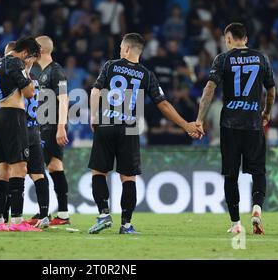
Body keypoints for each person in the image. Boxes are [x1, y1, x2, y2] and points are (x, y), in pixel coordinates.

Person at [87, 33, 202, 235]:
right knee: (128, 178)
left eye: (122, 47)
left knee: (99, 172)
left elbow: (95, 91)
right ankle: (126, 224)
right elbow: (163, 104)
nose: (120, 49)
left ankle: (104, 214)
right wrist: (186, 125)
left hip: (106, 122)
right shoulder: (146, 74)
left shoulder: (110, 66)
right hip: (129, 126)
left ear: (129, 49)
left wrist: (94, 115)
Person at [195, 23, 276, 235]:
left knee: (231, 175)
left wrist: (199, 119)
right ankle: (257, 209)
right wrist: (266, 112)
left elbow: (209, 89)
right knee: (258, 171)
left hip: (230, 126)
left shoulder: (223, 59)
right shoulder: (261, 58)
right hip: (253, 124)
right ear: (246, 39)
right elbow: (271, 90)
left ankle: (236, 224)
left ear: (228, 39)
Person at [0, 37, 41, 232]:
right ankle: (17, 222)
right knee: (20, 168)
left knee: (2, 170)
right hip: (14, 117)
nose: (31, 61)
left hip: (0, 116)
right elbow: (28, 93)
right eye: (32, 57)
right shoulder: (15, 62)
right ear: (26, 52)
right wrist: (26, 69)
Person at [6, 57, 50, 228]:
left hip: (20, 131)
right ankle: (44, 215)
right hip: (34, 131)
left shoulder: (18, 83)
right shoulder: (36, 82)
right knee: (38, 174)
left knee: (12, 173)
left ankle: (6, 218)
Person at [35, 35, 70, 226]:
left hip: (52, 125)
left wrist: (61, 127)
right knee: (55, 167)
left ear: (40, 50)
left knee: (37, 168)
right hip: (44, 125)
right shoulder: (42, 73)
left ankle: (44, 213)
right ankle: (63, 214)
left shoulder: (56, 71)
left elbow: (64, 99)